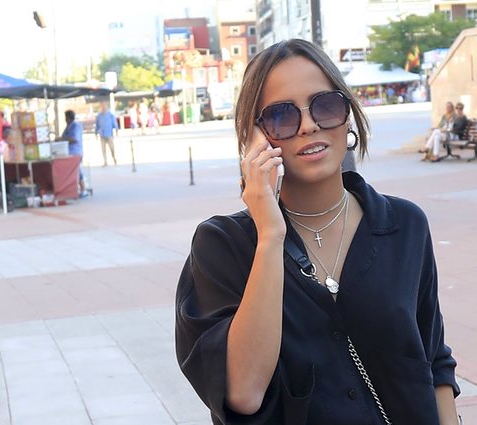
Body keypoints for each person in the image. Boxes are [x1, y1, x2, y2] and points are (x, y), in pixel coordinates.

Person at [175, 39, 460, 425]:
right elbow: (243, 391)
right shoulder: (222, 246)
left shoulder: (404, 225)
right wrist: (270, 236)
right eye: (281, 115)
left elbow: (433, 359)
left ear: (347, 115)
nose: (309, 125)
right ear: (255, 137)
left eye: (325, 105)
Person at [57, 110, 88, 198]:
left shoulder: (75, 126)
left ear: (68, 118)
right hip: (69, 152)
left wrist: (62, 139)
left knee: (77, 171)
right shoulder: (68, 127)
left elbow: (74, 139)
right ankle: (78, 189)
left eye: (66, 117)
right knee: (75, 171)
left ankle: (83, 189)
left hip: (75, 152)